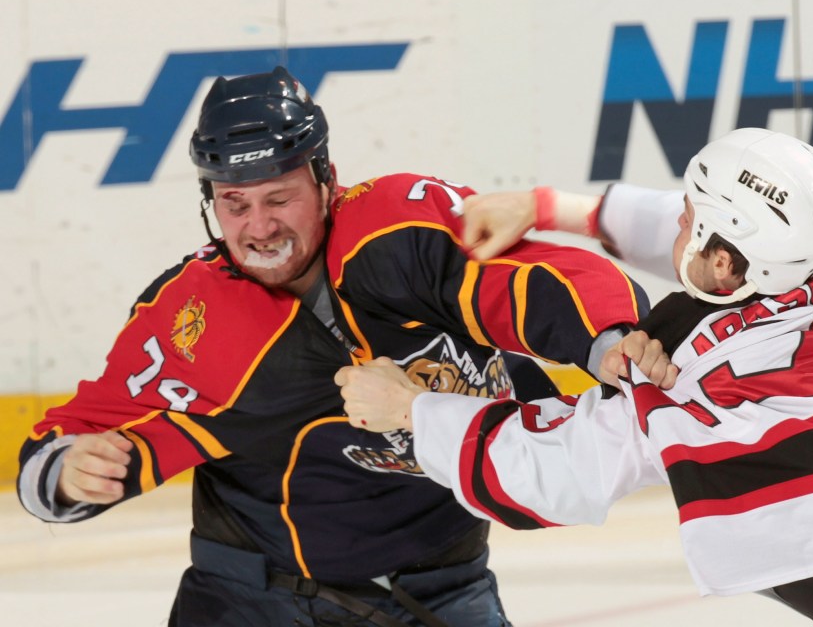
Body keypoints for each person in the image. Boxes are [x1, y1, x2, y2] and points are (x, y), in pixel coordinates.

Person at [16, 66, 650, 627]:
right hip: (250, 601)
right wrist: (69, 474)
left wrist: (612, 340)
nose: (259, 227)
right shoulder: (193, 319)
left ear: (326, 180)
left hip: (441, 584)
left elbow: (540, 281)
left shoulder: (402, 232)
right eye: (234, 203)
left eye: (279, 197)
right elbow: (69, 440)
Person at [335, 128, 813, 626]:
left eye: (691, 218)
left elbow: (554, 473)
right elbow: (718, 236)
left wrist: (413, 412)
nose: (678, 225)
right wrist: (549, 208)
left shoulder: (688, 383)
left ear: (721, 259)